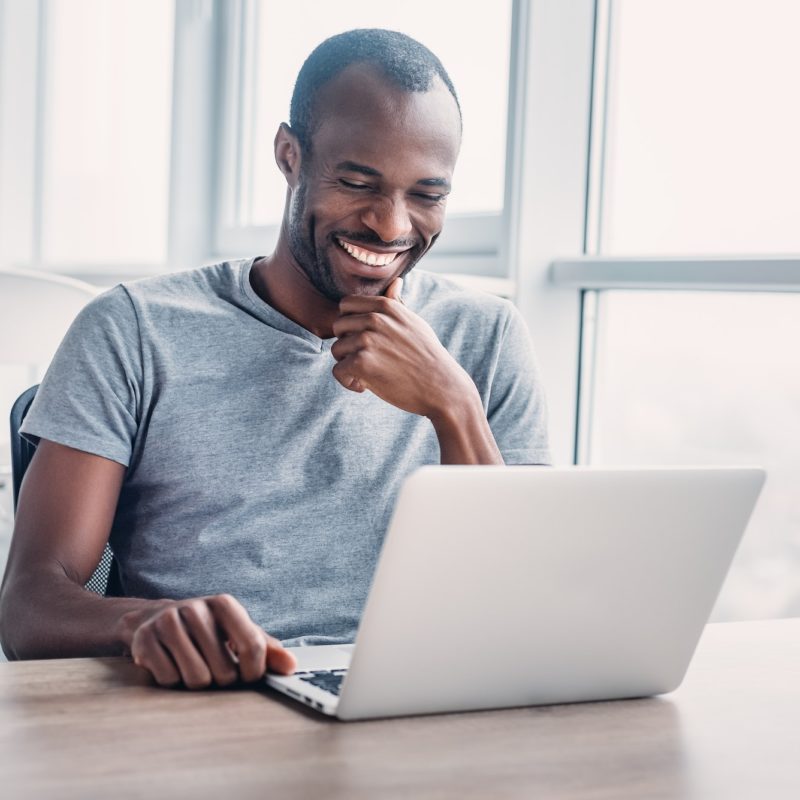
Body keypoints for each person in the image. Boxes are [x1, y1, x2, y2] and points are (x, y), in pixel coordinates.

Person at [0, 29, 550, 687]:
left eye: (427, 195)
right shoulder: (133, 330)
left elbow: (522, 611)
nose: (391, 225)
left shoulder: (485, 337)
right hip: (211, 707)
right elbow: (28, 607)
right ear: (290, 156)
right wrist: (139, 622)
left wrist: (452, 404)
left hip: (418, 702)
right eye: (357, 182)